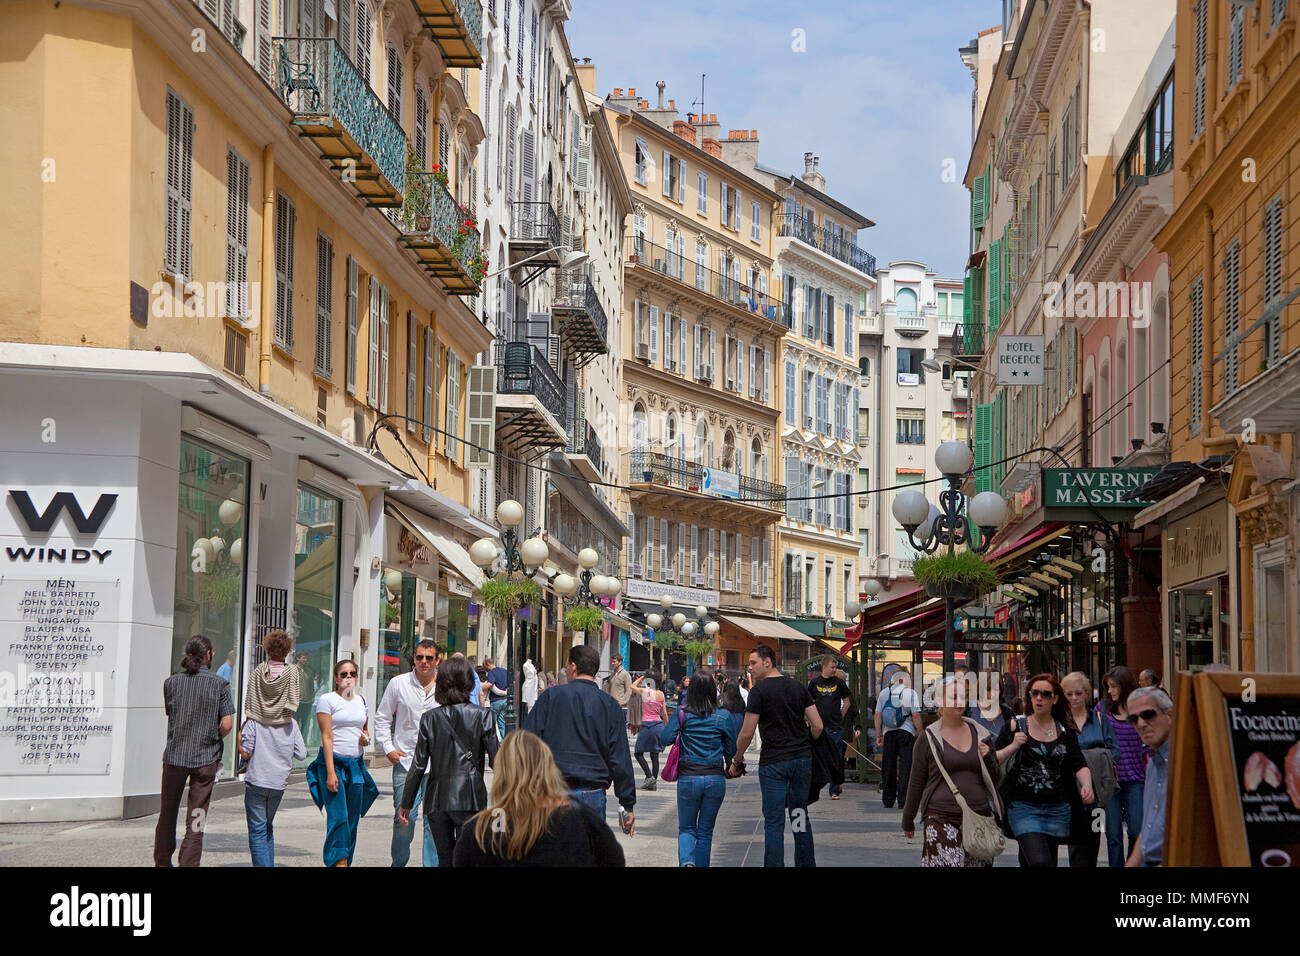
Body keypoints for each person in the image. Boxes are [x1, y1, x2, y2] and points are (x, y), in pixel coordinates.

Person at [454, 731, 626, 867]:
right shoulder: (582, 820)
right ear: (547, 767)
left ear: (502, 773)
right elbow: (615, 860)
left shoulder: (481, 829)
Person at [523, 643, 636, 830]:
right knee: (589, 854)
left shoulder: (551, 697)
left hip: (553, 792)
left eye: (567, 666)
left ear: (573, 667)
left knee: (553, 854)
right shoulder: (609, 705)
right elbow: (620, 757)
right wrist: (627, 803)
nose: (566, 670)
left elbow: (527, 742)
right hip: (592, 794)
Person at [398, 655, 498, 865]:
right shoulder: (482, 716)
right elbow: (497, 761)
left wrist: (406, 802)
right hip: (470, 796)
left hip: (438, 798)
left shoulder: (430, 718)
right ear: (468, 683)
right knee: (467, 858)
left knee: (444, 858)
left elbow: (419, 764)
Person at [730, 644, 823, 867]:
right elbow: (818, 725)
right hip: (801, 761)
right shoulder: (798, 687)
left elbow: (747, 732)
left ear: (768, 662)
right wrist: (804, 744)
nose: (749, 668)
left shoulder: (759, 692)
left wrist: (737, 759)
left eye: (753, 663)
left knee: (774, 822)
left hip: (774, 763)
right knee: (799, 815)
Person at [901, 675, 1002, 867]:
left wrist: (989, 757)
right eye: (953, 697)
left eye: (963, 697)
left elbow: (996, 778)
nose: (959, 702)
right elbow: (916, 781)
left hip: (979, 817)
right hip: (941, 816)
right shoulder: (928, 738)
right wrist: (908, 819)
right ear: (940, 700)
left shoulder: (981, 734)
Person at [995, 673, 1095, 867]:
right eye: (1035, 693)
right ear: (1029, 697)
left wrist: (1087, 785)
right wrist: (1013, 745)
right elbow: (992, 759)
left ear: (1055, 699)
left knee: (1042, 859)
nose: (1039, 698)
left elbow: (1079, 763)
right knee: (1041, 862)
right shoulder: (1016, 725)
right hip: (1023, 807)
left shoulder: (1065, 730)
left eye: (1046, 694)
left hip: (1057, 808)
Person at [154, 635, 234, 867]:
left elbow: (172, 714)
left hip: (175, 757)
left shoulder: (171, 682)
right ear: (208, 654)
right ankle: (189, 862)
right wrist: (212, 736)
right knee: (197, 817)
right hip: (204, 759)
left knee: (167, 812)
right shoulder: (219, 684)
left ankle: (161, 860)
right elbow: (227, 724)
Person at [660, 667, 737, 866]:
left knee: (686, 828)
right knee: (705, 832)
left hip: (688, 778)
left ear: (691, 690)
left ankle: (687, 862)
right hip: (714, 778)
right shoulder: (723, 716)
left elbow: (665, 739)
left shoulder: (682, 713)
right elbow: (731, 750)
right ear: (713, 690)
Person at [374, 638, 441, 867]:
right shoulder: (398, 683)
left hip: (436, 764)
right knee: (405, 819)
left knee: (434, 822)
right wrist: (389, 748)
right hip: (406, 762)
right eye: (419, 657)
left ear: (437, 661)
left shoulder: (445, 686)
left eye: (428, 658)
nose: (423, 662)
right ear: (414, 659)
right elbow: (382, 718)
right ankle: (399, 863)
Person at [308, 659, 379, 867]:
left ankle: (345, 862)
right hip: (333, 764)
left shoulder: (362, 701)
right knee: (338, 819)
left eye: (352, 674)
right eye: (344, 674)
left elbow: (364, 730)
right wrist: (330, 772)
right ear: (336, 678)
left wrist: (365, 738)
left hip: (355, 765)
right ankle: (337, 863)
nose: (349, 678)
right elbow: (327, 736)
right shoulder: (327, 700)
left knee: (352, 820)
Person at [1061, 671, 1120, 867]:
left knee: (1094, 839)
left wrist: (1095, 760)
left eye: (1078, 693)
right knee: (1076, 843)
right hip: (1071, 791)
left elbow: (1115, 751)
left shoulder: (1100, 719)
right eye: (1069, 694)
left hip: (1098, 791)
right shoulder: (1060, 722)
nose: (1074, 698)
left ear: (1086, 694)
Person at [239, 711, 307, 867]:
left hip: (257, 781)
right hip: (278, 783)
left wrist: (239, 737)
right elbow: (302, 754)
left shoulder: (255, 721)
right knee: (267, 827)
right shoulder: (291, 723)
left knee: (257, 832)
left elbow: (246, 752)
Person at [1098, 665, 1146, 867]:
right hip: (1111, 780)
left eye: (1114, 686)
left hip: (1135, 778)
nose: (1110, 691)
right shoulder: (1102, 709)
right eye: (1108, 687)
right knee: (1114, 835)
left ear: (1125, 686)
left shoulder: (1141, 709)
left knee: (1136, 830)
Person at [1124, 685, 1174, 867]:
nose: (1141, 724)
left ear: (1169, 715)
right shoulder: (1153, 761)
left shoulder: (1188, 763)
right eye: (1133, 719)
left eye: (1148, 715)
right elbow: (1148, 829)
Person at [875, 671, 922, 809]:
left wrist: (879, 735)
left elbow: (877, 715)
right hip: (906, 732)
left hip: (889, 732)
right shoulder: (911, 693)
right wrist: (919, 732)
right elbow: (915, 715)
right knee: (906, 766)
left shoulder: (884, 693)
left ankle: (888, 799)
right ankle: (904, 800)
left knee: (888, 765)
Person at [807, 656, 851, 799]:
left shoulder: (839, 683)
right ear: (824, 667)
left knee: (836, 757)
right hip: (819, 726)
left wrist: (840, 716)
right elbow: (807, 703)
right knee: (816, 757)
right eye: (832, 667)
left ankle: (834, 789)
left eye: (835, 667)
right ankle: (813, 787)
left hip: (835, 726)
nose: (834, 670)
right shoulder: (814, 683)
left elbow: (847, 702)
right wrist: (810, 719)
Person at [242, 629, 301, 728]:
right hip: (283, 722)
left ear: (267, 649)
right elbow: (294, 697)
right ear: (287, 651)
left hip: (259, 721)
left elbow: (251, 694)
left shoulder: (259, 670)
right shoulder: (292, 671)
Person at [632, 674, 667, 790]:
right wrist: (666, 727)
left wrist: (641, 677)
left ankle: (649, 776)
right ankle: (653, 782)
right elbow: (665, 713)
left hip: (646, 725)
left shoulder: (645, 692)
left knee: (638, 752)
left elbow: (632, 686)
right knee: (654, 754)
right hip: (658, 725)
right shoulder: (661, 694)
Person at [605, 653, 633, 734]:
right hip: (611, 706)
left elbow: (629, 691)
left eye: (614, 662)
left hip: (621, 707)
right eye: (612, 662)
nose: (612, 663)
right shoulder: (612, 674)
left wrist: (621, 702)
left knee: (620, 731)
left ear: (620, 662)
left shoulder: (625, 674)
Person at [483, 657, 509, 738]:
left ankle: (493, 743)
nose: (484, 669)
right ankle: (504, 742)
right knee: (502, 722)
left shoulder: (491, 672)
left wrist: (480, 689)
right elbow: (513, 681)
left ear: (488, 664)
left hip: (496, 701)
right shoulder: (504, 671)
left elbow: (490, 684)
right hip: (505, 700)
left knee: (492, 724)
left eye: (484, 666)